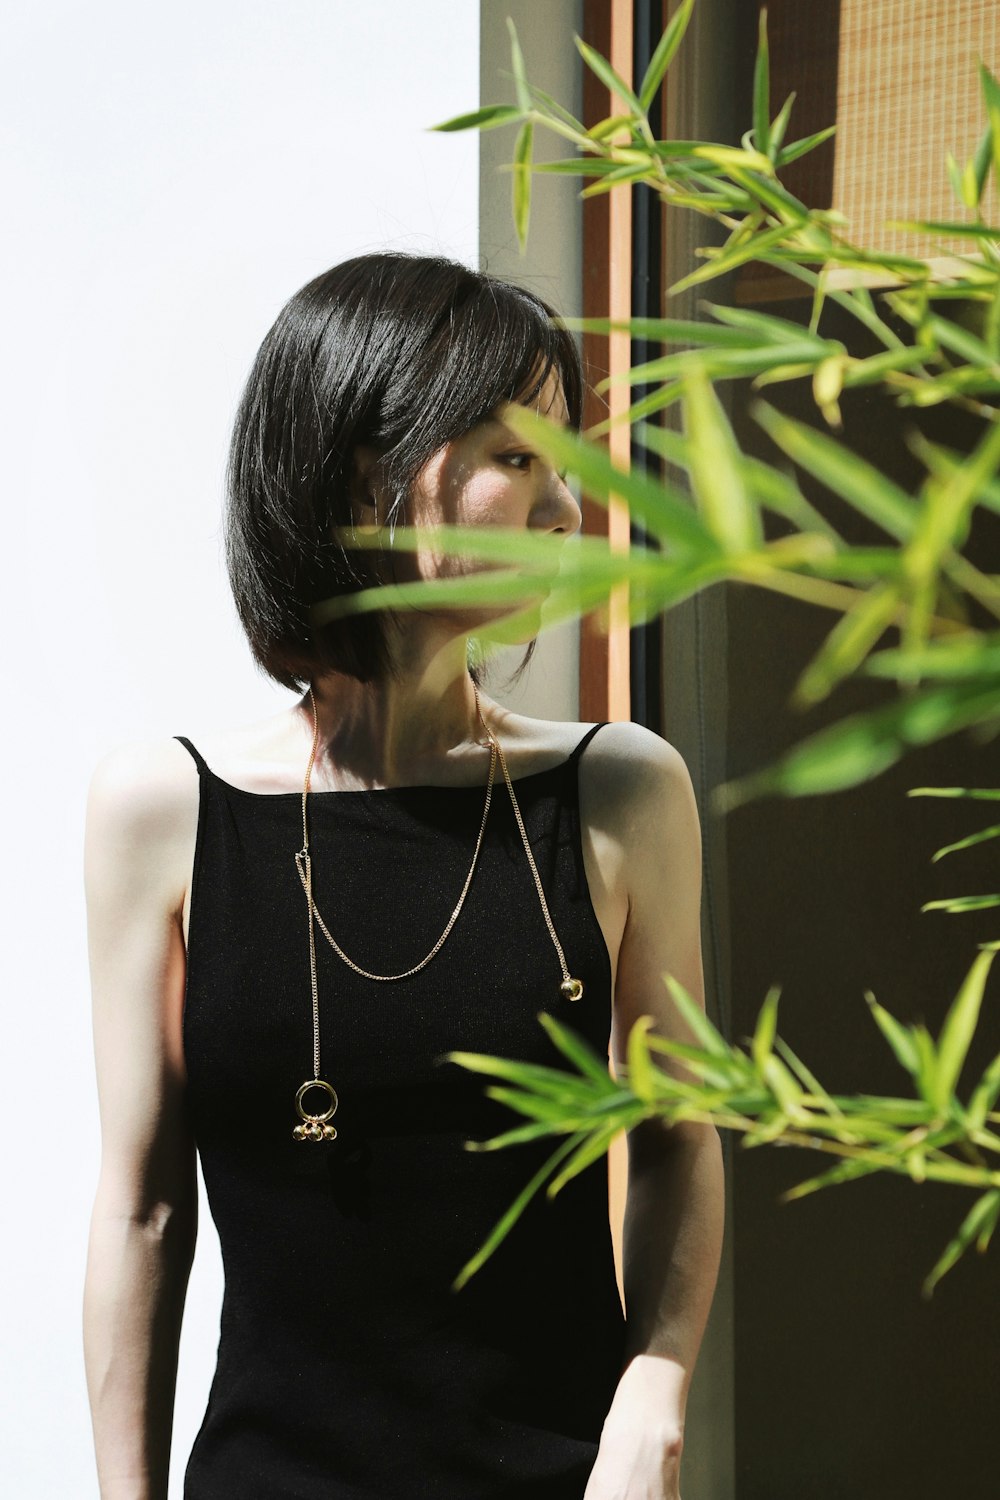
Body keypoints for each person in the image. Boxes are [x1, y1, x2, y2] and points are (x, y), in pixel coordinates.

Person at [82, 252, 725, 1500]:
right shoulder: (165, 812)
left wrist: (653, 1391)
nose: (564, 508)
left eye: (566, 459)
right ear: (368, 473)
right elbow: (141, 1209)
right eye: (516, 454)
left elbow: (677, 1138)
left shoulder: (620, 791)